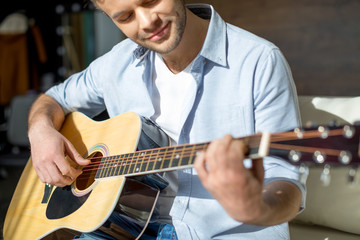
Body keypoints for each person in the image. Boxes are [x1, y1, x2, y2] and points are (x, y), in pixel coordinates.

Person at [27, 0, 306, 239]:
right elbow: (54, 99)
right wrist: (40, 132)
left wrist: (254, 207)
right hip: (122, 225)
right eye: (125, 17)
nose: (147, 21)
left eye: (150, 1)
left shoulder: (258, 61)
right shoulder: (116, 64)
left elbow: (287, 182)